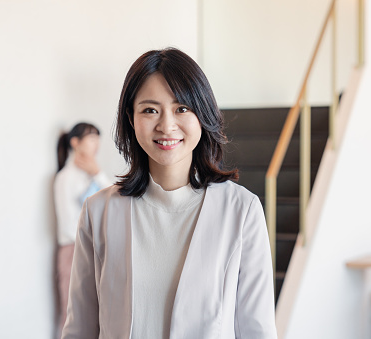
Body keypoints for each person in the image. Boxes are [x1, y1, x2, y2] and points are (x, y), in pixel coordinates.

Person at [62, 48, 277, 338]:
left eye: (182, 108)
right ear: (131, 117)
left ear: (202, 114)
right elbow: (80, 330)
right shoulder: (98, 211)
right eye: (150, 110)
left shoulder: (242, 210)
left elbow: (257, 330)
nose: (166, 125)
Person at [54, 122, 111, 336]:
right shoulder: (65, 178)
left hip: (92, 250)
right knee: (71, 314)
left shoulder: (90, 175)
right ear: (75, 143)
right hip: (73, 250)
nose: (96, 144)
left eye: (98, 139)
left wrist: (97, 173)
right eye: (91, 138)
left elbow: (115, 204)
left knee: (92, 314)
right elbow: (70, 225)